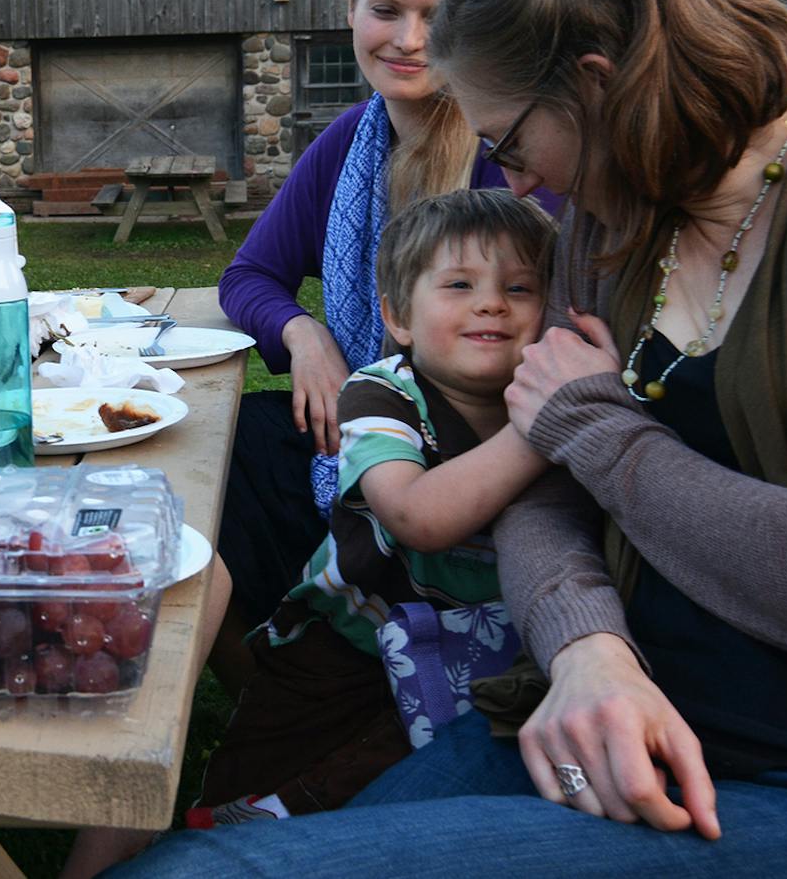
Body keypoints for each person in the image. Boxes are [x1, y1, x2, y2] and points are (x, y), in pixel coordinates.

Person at [115, 0, 787, 878]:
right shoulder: (609, 233)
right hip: (592, 708)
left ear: (592, 86)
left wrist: (601, 430)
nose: (508, 172)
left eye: (509, 138)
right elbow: (547, 493)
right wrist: (587, 647)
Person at [215, 0, 543, 649]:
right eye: (386, 9)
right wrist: (304, 336)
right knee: (222, 451)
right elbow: (250, 275)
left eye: (438, 13)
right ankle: (264, 677)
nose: (409, 39)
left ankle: (333, 657)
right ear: (350, 7)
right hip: (361, 418)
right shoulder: (347, 143)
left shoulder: (512, 153)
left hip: (472, 450)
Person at [198, 188, 555, 823]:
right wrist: (542, 429)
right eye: (459, 285)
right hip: (346, 641)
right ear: (399, 317)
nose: (492, 302)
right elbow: (417, 515)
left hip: (484, 657)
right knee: (247, 780)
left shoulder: (543, 394)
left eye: (521, 289)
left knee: (379, 789)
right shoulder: (384, 394)